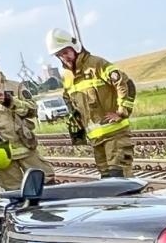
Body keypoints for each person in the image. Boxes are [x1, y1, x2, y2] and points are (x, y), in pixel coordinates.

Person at [46, 29, 136, 178]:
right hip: (96, 140)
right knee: (107, 181)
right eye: (60, 55)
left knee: (119, 178)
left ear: (74, 47)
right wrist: (76, 120)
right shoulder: (67, 76)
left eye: (66, 52)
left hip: (115, 136)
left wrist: (122, 112)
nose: (64, 57)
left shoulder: (97, 64)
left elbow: (126, 84)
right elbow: (68, 98)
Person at [0, 52, 53, 190]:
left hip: (25, 146)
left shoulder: (15, 86)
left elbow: (33, 110)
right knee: (15, 193)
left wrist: (11, 102)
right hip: (1, 153)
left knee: (45, 184)